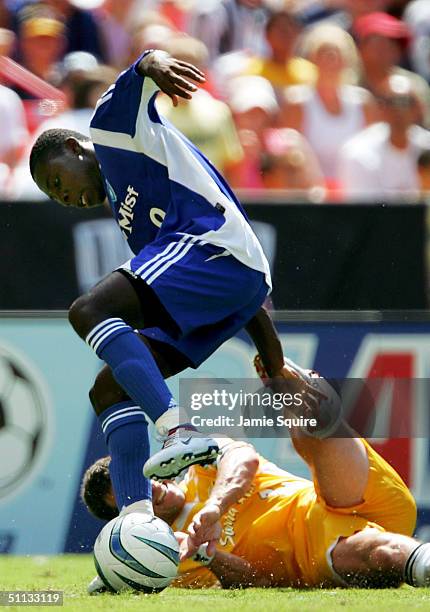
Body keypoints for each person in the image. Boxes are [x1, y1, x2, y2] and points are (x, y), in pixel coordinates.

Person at [28, 50, 283, 522]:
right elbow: (247, 291)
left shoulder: (108, 132)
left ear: (77, 150)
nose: (63, 196)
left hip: (214, 248)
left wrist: (155, 63)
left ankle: (177, 429)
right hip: (232, 281)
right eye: (54, 196)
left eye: (57, 180)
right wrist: (275, 361)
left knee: (89, 310)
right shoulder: (130, 218)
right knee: (108, 389)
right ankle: (138, 525)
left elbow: (140, 69)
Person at [81, 356, 430, 591]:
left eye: (143, 483)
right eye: (138, 498)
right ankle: (423, 562)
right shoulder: (171, 556)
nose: (151, 490)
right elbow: (251, 579)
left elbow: (243, 458)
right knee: (380, 554)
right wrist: (208, 554)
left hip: (345, 494)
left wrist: (216, 506)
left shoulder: (191, 461)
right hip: (311, 552)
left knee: (314, 432)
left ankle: (296, 393)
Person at [282, 23, 375, 181]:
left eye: (336, 53)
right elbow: (289, 156)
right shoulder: (297, 102)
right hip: (313, 196)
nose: (330, 58)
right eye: (324, 52)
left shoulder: (363, 102)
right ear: (313, 58)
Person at [338, 74, 430, 201]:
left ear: (419, 108)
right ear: (380, 107)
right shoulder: (358, 152)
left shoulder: (427, 146)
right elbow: (363, 212)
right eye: (391, 101)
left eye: (406, 102)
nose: (399, 109)